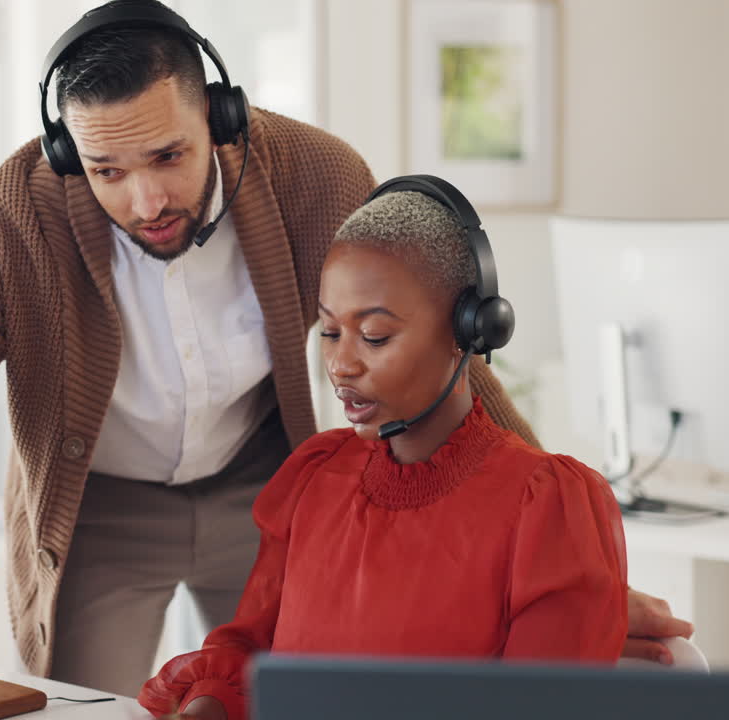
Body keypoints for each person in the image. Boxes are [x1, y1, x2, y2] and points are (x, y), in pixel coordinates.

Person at [0, 0, 691, 696]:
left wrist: (559, 561)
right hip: (105, 507)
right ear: (65, 153)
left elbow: (440, 347)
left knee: (289, 693)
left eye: (168, 156)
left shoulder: (315, 177)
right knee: (89, 709)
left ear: (219, 117)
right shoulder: (14, 218)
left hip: (262, 486)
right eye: (105, 170)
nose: (145, 199)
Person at [139, 183, 629, 720]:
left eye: (374, 336)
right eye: (330, 332)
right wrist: (206, 706)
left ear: (467, 331)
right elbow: (248, 651)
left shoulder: (548, 507)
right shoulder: (314, 476)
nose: (341, 365)